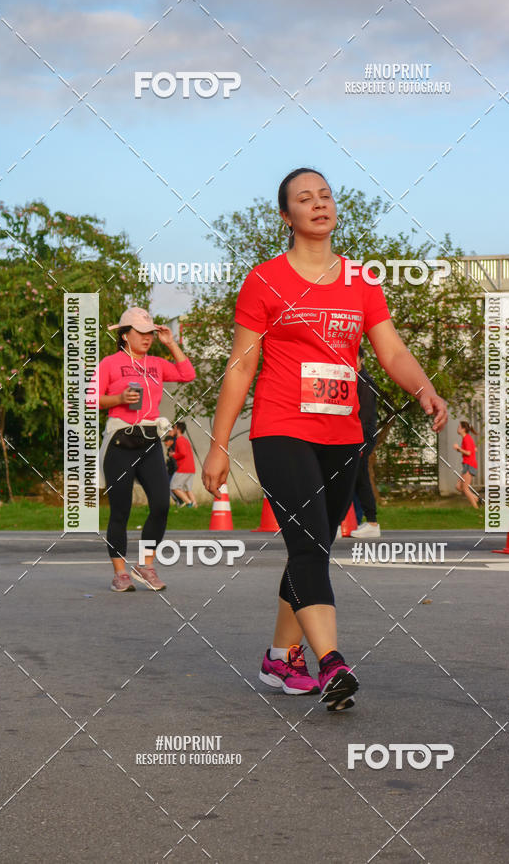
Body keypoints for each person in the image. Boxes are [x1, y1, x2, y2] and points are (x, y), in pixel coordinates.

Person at [202, 167, 447, 712]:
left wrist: (424, 388)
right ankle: (332, 661)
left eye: (325, 196)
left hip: (343, 433)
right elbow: (242, 368)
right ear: (286, 217)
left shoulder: (361, 281)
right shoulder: (264, 280)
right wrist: (218, 446)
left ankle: (280, 656)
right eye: (304, 199)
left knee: (313, 543)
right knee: (310, 538)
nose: (319, 204)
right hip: (281, 426)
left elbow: (392, 352)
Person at [97, 307, 196, 591]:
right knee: (121, 510)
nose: (147, 338)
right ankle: (120, 573)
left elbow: (187, 374)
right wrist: (118, 397)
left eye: (150, 333)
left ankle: (146, 565)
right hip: (120, 441)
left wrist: (171, 344)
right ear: (125, 335)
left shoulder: (156, 363)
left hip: (150, 440)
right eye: (141, 333)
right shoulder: (110, 363)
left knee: (162, 504)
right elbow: (92, 399)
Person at [350, 345, 380, 538]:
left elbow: (365, 417)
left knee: (361, 479)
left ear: (361, 359)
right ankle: (343, 521)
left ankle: (372, 522)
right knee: (350, 481)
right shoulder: (352, 380)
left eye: (353, 357)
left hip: (361, 439)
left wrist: (359, 444)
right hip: (352, 438)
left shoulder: (365, 384)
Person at [169, 421, 198, 508]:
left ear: (177, 429)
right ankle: (195, 506)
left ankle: (189, 503)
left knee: (173, 487)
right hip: (191, 468)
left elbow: (183, 453)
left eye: (173, 428)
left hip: (183, 468)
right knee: (187, 489)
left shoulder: (179, 440)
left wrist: (173, 455)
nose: (172, 430)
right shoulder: (185, 440)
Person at [453, 421, 479, 509]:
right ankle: (475, 499)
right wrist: (460, 449)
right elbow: (475, 449)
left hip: (469, 465)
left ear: (463, 429)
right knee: (458, 486)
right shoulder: (467, 438)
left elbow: (468, 452)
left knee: (465, 488)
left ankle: (476, 508)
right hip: (466, 465)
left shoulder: (467, 438)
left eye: (459, 427)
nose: (457, 428)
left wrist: (458, 448)